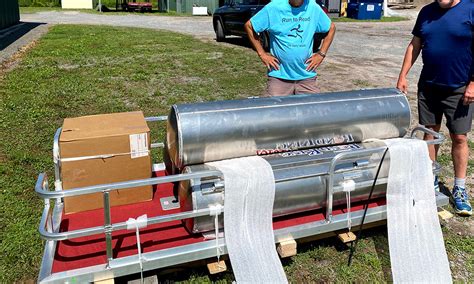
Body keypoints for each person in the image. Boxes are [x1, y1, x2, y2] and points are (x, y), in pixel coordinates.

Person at [397, 0, 473, 216]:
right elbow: (415, 44)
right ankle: (430, 179)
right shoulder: (426, 12)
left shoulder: (470, 9)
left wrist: (473, 83)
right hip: (428, 86)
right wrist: (402, 75)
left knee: (459, 137)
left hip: (459, 88)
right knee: (429, 135)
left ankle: (459, 188)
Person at [244, 0, 336, 97]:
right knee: (276, 110)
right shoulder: (274, 7)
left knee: (312, 110)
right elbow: (250, 26)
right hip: (279, 77)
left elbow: (331, 28)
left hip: (306, 76)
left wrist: (321, 54)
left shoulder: (312, 7)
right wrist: (262, 54)